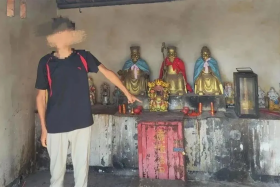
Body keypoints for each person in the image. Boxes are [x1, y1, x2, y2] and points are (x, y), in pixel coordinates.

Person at [35, 17, 140, 187]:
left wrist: (127, 92)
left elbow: (107, 72)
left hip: (81, 123)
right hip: (55, 124)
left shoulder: (83, 57)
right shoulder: (45, 63)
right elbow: (40, 97)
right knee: (56, 175)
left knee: (81, 174)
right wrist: (44, 128)